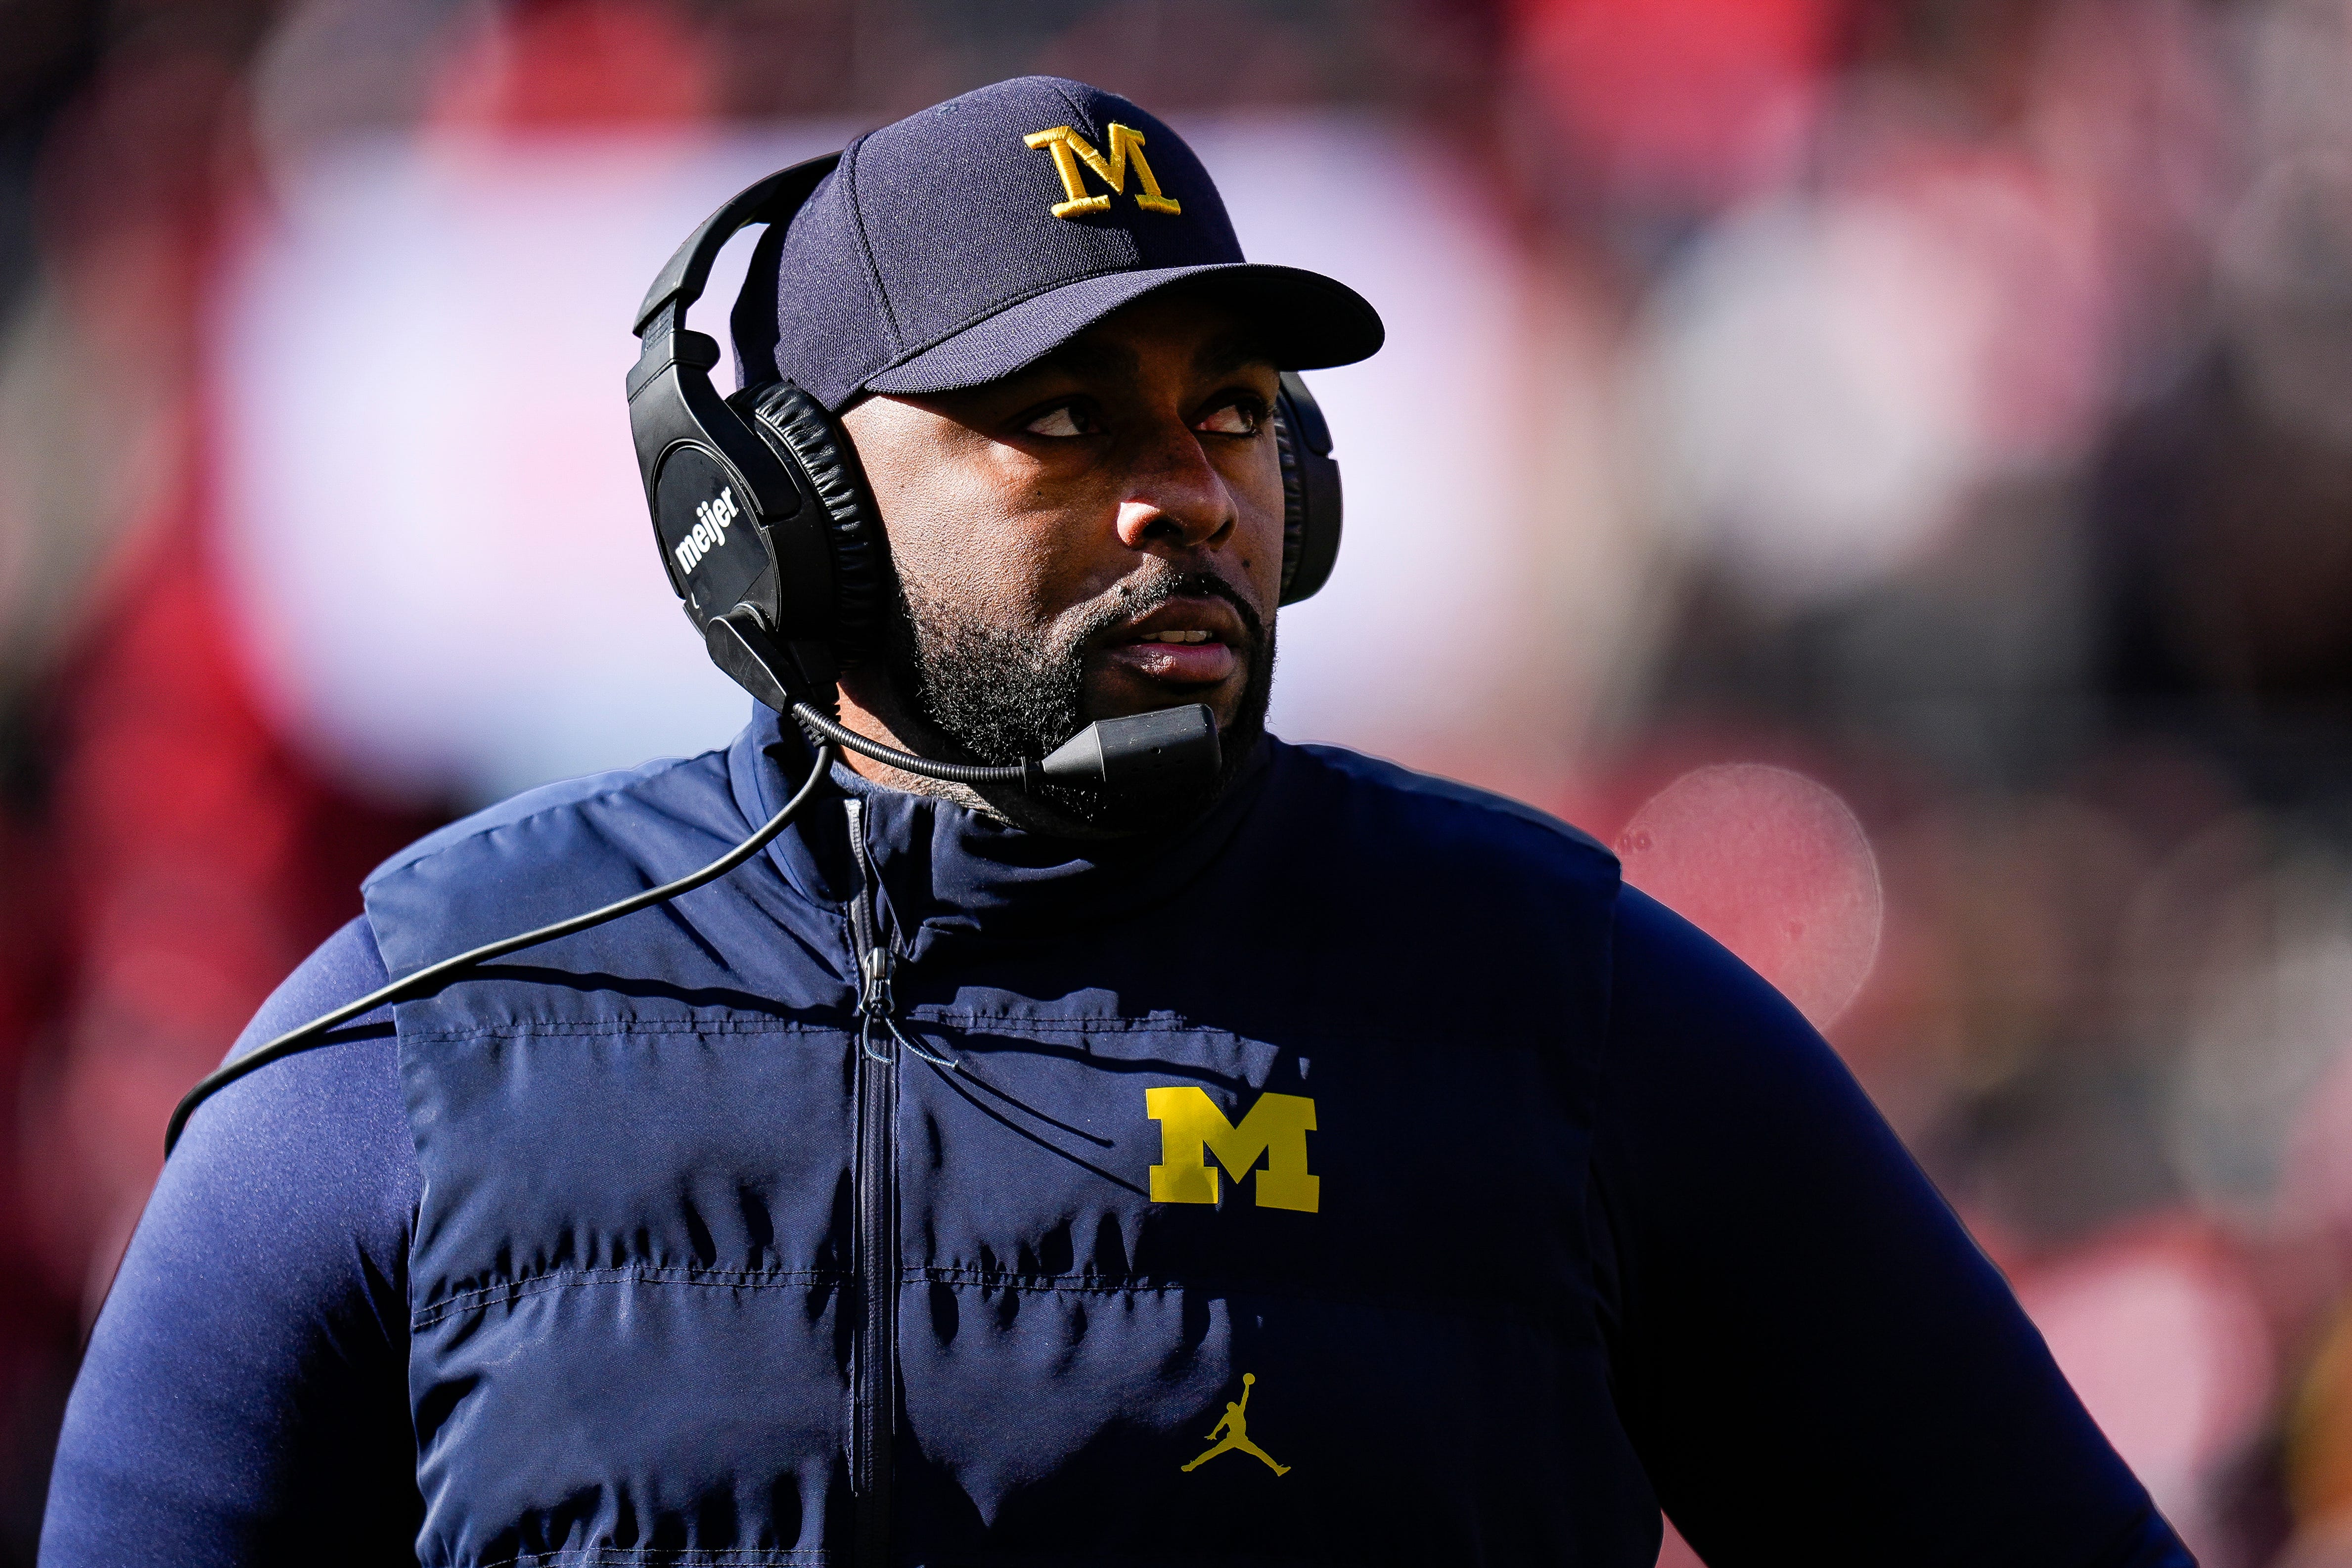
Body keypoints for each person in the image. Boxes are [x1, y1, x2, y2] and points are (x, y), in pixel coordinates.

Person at [41, 77, 2191, 1568]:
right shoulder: (406, 1062)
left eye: (1229, 415)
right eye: (1056, 421)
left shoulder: (1581, 1018)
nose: (1183, 491)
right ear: (777, 514)